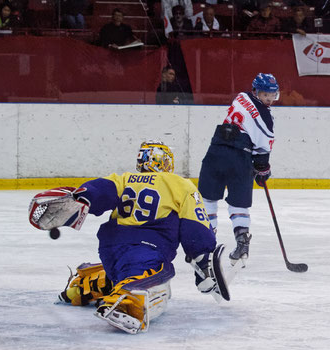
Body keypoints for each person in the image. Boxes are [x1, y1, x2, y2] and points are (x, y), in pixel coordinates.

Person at [27, 140, 227, 334]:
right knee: (160, 278)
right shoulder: (180, 185)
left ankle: (87, 284)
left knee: (125, 270)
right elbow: (195, 227)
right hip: (147, 248)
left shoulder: (123, 179)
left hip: (110, 248)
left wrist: (80, 196)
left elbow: (99, 191)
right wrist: (202, 256)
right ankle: (127, 301)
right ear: (165, 162)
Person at [197, 73, 278, 268]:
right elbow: (262, 151)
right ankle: (242, 242)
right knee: (238, 204)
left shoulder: (241, 97)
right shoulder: (267, 118)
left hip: (216, 151)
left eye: (272, 95)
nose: (269, 99)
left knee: (208, 199)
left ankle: (206, 245)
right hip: (240, 158)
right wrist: (262, 170)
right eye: (265, 94)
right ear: (256, 92)